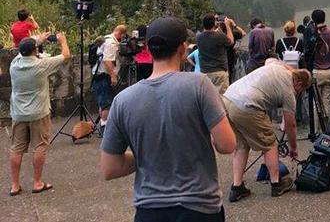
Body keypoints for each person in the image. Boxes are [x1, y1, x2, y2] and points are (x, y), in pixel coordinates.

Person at [100, 17, 236, 222]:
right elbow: (227, 145)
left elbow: (110, 168)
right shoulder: (199, 85)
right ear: (183, 48)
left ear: (147, 48)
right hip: (200, 208)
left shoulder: (122, 101)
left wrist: (150, 152)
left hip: (149, 212)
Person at [224, 60, 311, 202]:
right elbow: (291, 125)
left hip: (228, 99)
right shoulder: (289, 91)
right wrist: (293, 148)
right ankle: (276, 184)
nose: (298, 93)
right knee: (270, 144)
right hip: (246, 105)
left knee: (241, 146)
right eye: (301, 91)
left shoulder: (276, 66)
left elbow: (270, 59)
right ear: (299, 84)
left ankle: (237, 187)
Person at [8, 33, 70, 196]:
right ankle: (37, 182)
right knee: (39, 146)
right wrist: (62, 40)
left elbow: (24, 48)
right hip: (38, 113)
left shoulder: (14, 64)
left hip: (18, 113)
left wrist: (38, 40)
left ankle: (15, 185)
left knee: (16, 149)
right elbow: (65, 55)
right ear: (35, 51)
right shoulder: (42, 65)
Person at [92, 24, 127, 136]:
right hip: (104, 76)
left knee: (103, 102)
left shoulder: (106, 39)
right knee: (107, 103)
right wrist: (113, 75)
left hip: (99, 75)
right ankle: (105, 128)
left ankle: (104, 125)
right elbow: (107, 61)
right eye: (123, 36)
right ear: (120, 33)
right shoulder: (111, 43)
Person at [311, 9, 330, 126]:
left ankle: (317, 130)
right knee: (326, 101)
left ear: (313, 20)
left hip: (317, 72)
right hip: (329, 72)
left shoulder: (313, 35)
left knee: (316, 104)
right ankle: (326, 129)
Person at [196, 13, 235, 95]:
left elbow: (209, 33)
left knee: (208, 98)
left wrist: (215, 24)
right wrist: (227, 25)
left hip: (205, 73)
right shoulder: (220, 37)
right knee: (221, 99)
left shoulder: (199, 37)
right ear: (214, 23)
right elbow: (231, 41)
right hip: (219, 73)